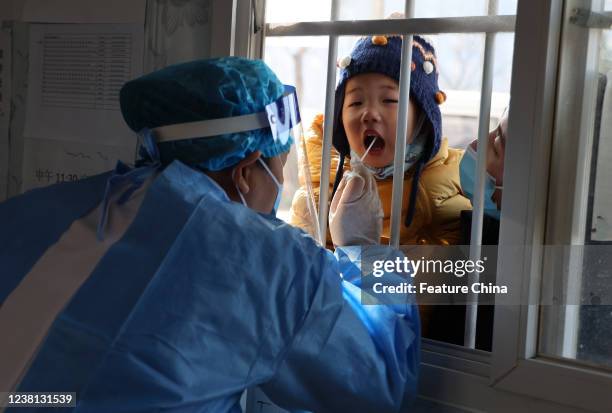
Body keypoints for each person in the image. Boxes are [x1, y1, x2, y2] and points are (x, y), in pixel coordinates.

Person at [0, 57, 420, 412]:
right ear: (243, 172)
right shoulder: (264, 259)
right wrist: (364, 252)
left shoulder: (31, 209)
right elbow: (376, 382)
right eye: (279, 170)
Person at [290, 34, 471, 338]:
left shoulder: (448, 195)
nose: (368, 114)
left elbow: (406, 325)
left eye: (389, 100)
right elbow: (293, 299)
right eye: (355, 101)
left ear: (424, 117)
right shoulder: (319, 184)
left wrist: (362, 253)